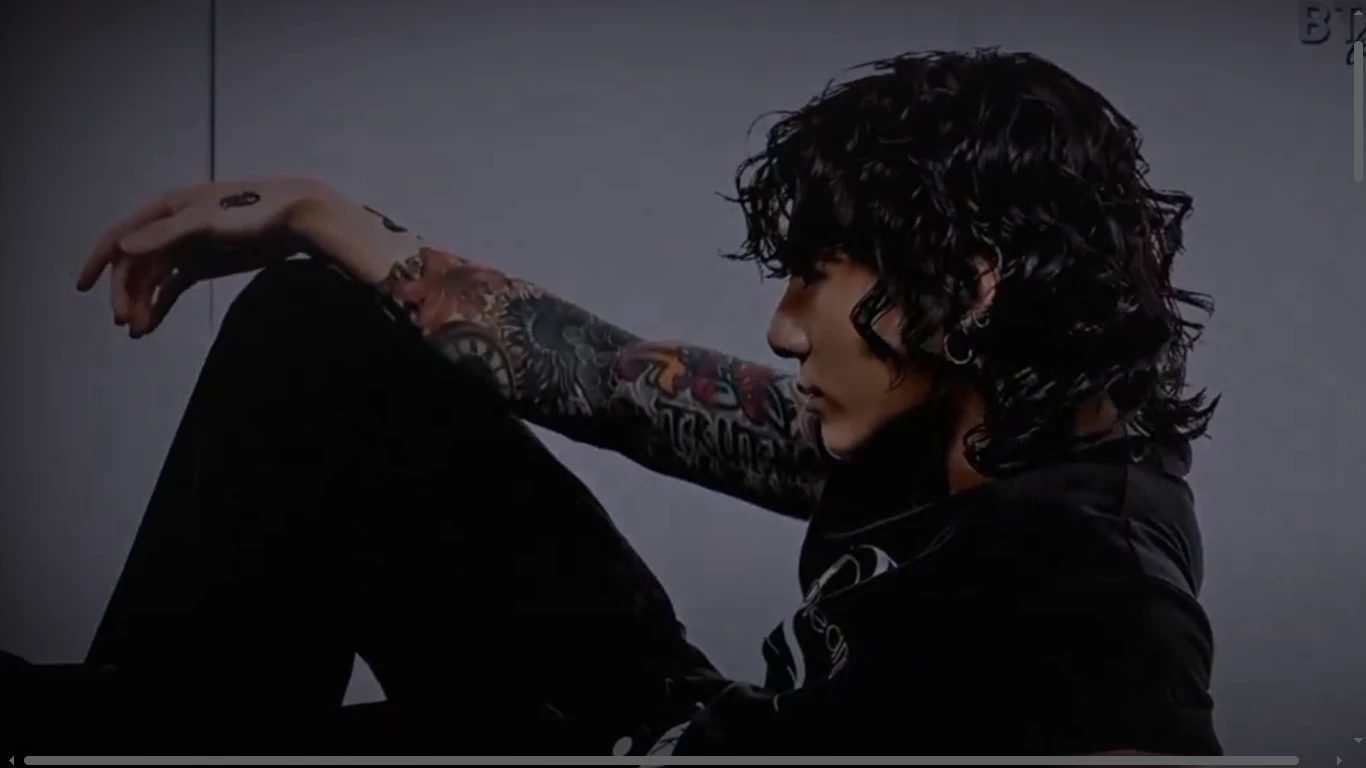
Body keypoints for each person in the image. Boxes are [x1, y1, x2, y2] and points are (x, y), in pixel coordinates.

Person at [10, 48, 1221, 756]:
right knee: (314, 326)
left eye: (817, 276)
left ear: (966, 286)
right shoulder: (963, 434)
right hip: (657, 715)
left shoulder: (1088, 582)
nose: (782, 326)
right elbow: (620, 384)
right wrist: (322, 217)